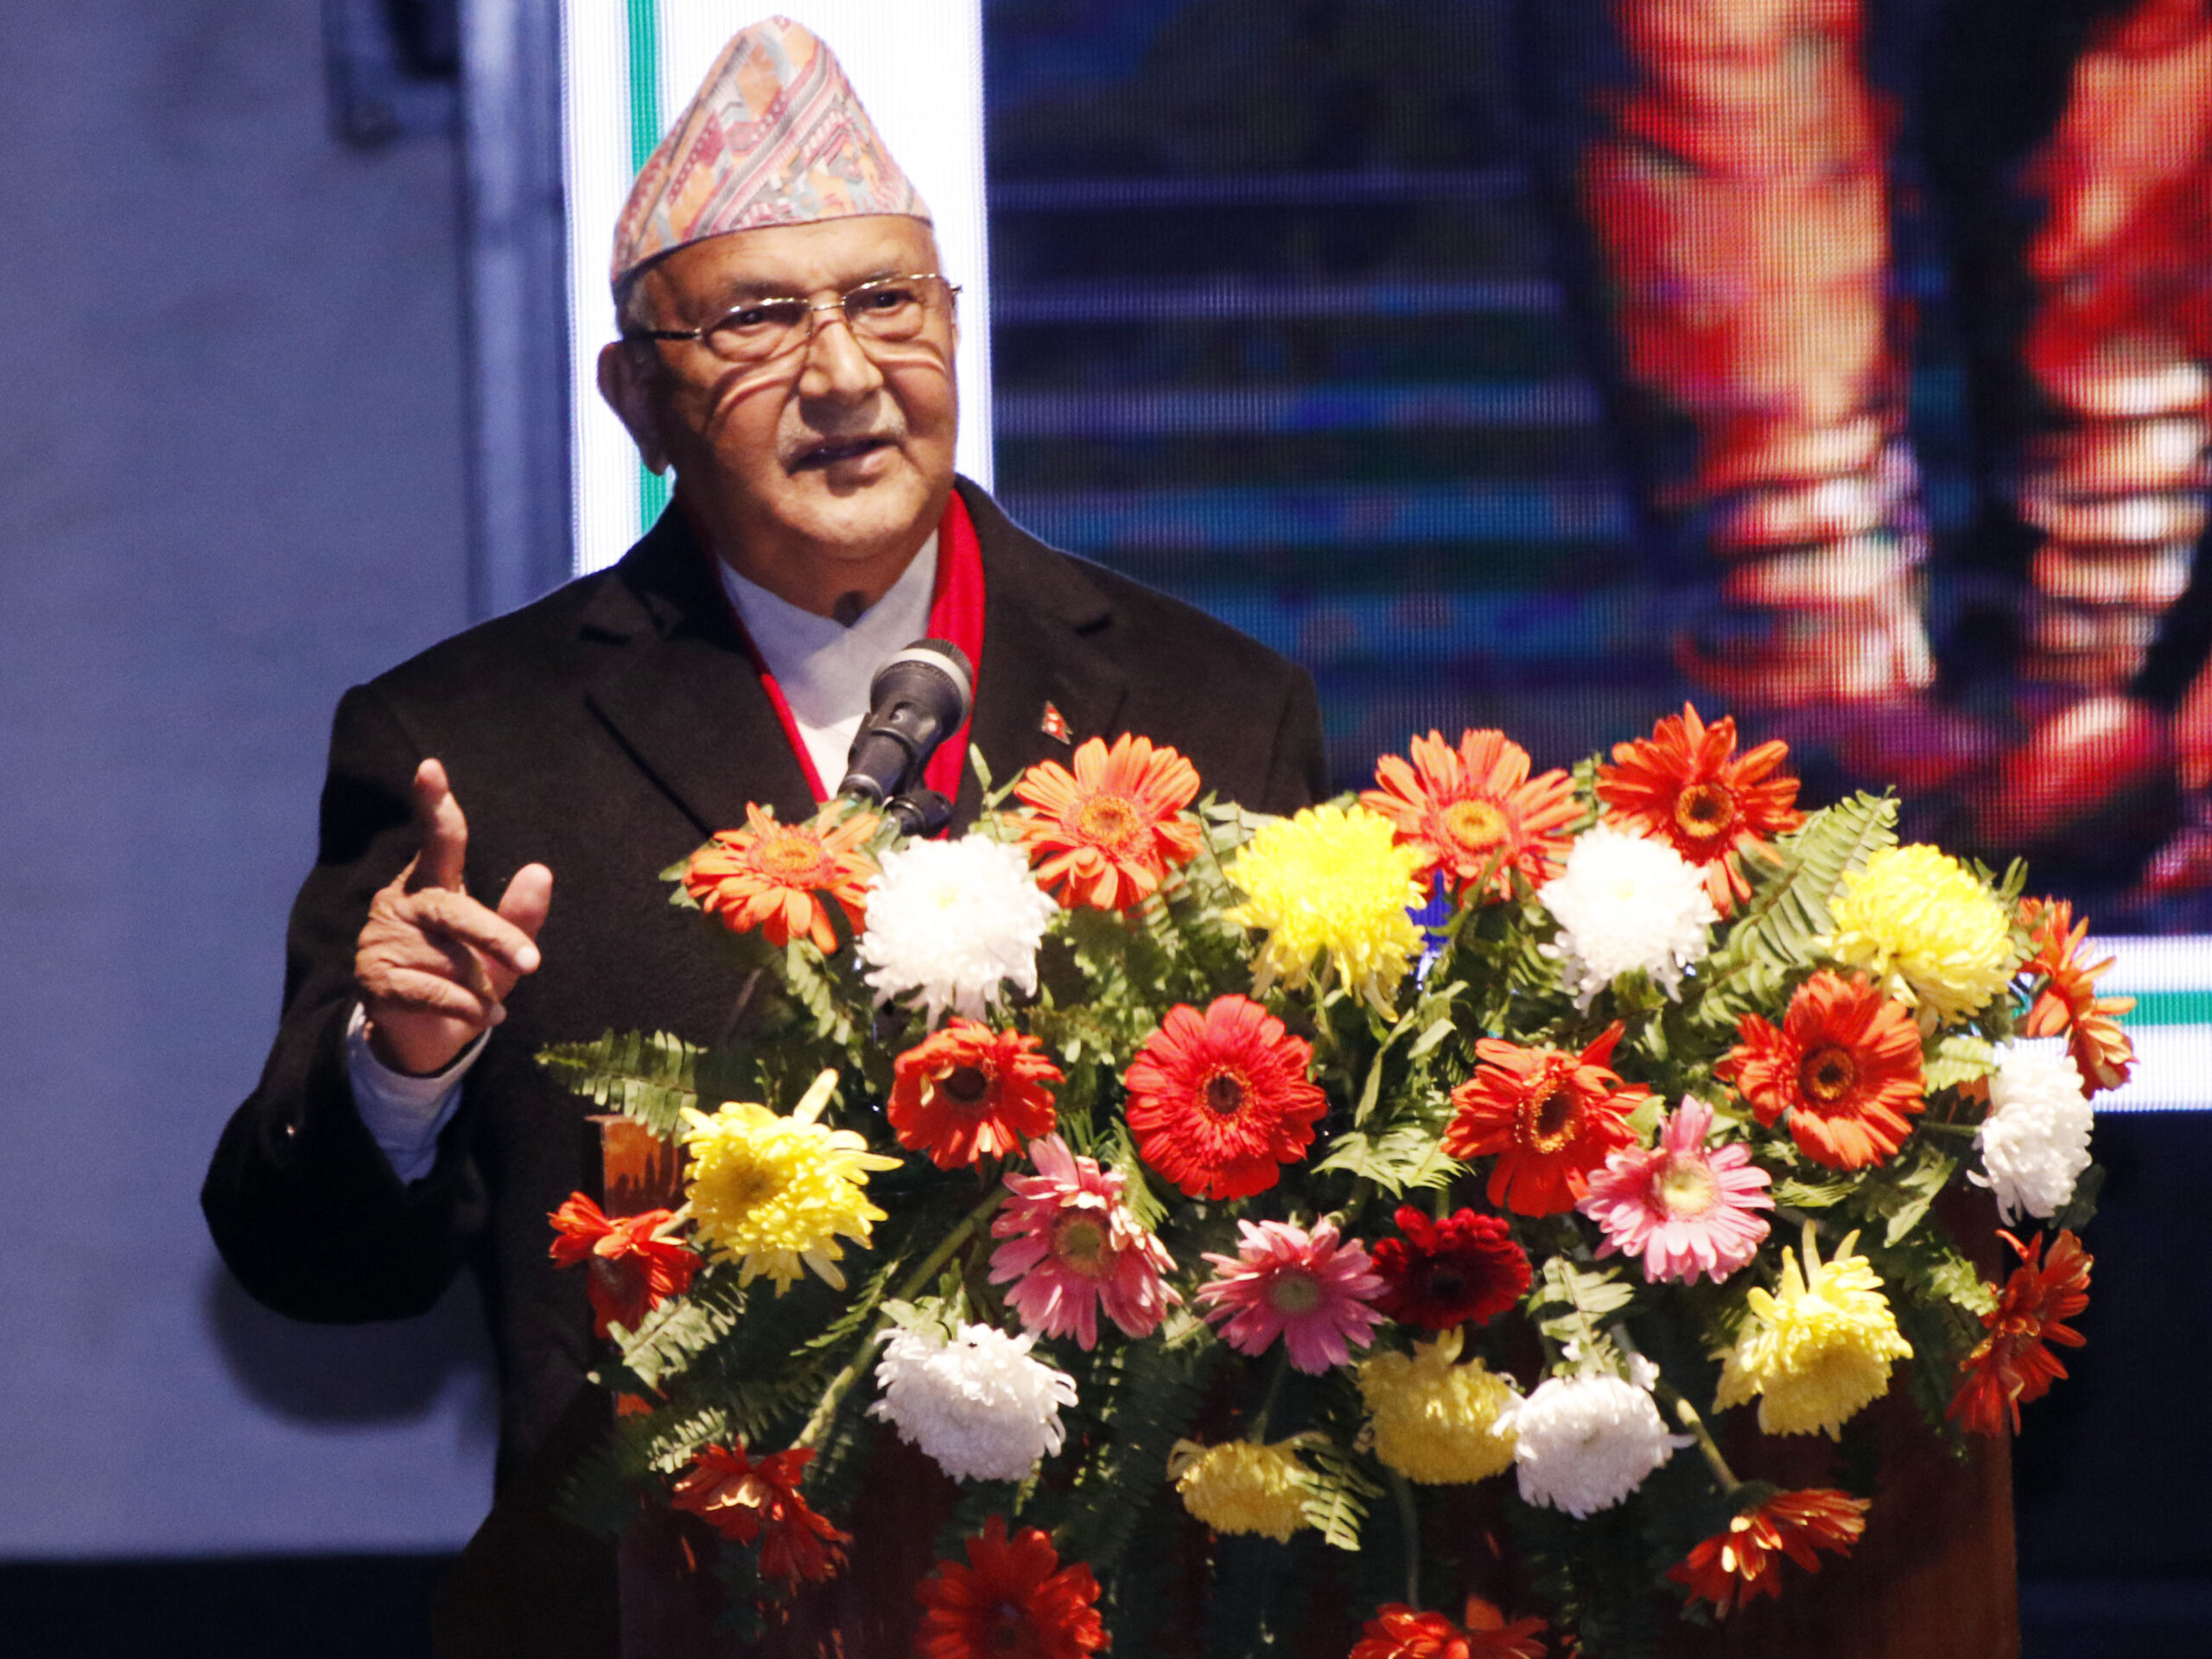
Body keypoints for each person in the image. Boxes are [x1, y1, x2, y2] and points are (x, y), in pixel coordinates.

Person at [202, 16, 1328, 1655]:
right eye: (756, 320)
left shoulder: (1215, 707)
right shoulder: (474, 746)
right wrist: (399, 1075)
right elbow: (313, 1268)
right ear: (637, 397)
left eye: (888, 302)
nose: (846, 374)